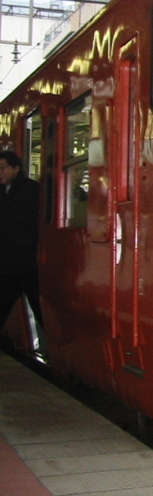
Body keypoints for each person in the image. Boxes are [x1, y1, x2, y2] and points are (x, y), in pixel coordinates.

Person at [0, 150, 44, 356]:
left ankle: (52, 348)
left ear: (16, 168)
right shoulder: (3, 192)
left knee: (38, 306)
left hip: (27, 261)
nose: (0, 172)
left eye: (3, 167)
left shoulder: (30, 190)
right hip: (8, 263)